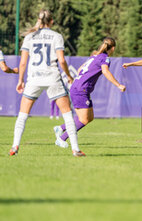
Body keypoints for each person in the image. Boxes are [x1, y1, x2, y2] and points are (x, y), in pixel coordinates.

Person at [8, 9, 85, 157]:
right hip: (52, 78)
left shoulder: (29, 37)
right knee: (68, 115)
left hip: (34, 79)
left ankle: (14, 146)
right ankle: (75, 149)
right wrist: (69, 76)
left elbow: (23, 63)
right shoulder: (57, 36)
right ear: (51, 21)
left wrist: (20, 80)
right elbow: (62, 60)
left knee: (22, 115)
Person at [54, 37, 126, 147]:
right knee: (83, 120)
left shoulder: (95, 56)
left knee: (90, 117)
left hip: (79, 88)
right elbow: (105, 71)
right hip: (80, 90)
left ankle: (61, 128)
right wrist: (118, 85)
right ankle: (61, 138)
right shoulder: (105, 58)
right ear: (113, 48)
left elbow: (79, 70)